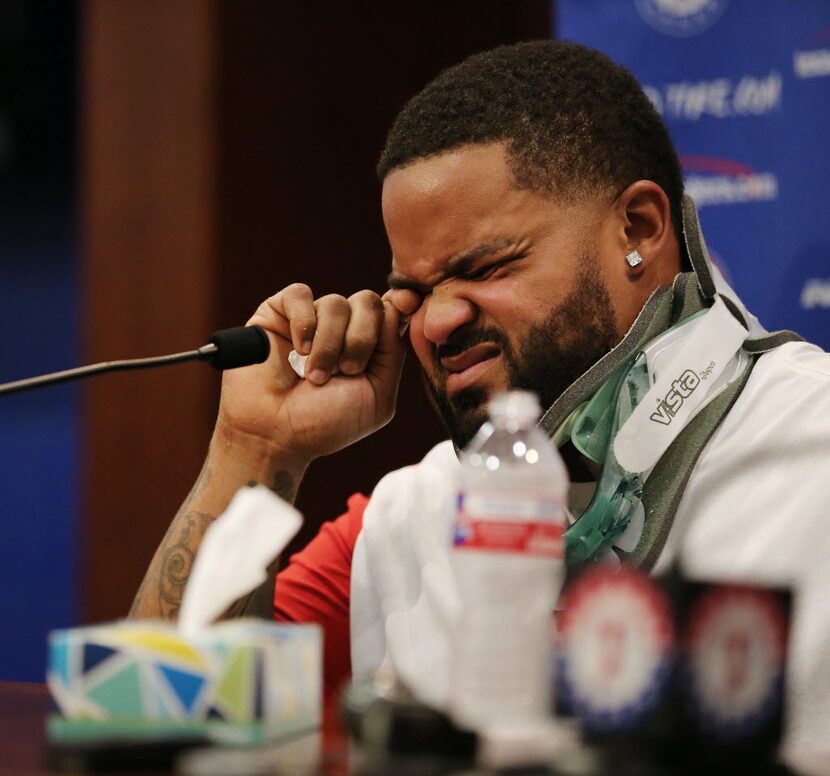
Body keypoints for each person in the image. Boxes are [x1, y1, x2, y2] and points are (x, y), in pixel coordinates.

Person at [130, 41, 830, 760]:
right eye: (415, 290)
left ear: (641, 230)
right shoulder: (410, 516)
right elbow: (146, 728)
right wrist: (256, 447)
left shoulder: (817, 448)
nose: (436, 322)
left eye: (487, 267)